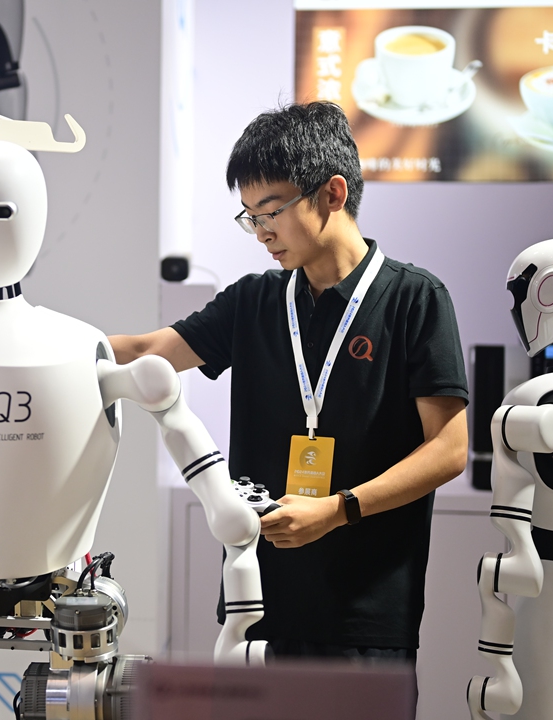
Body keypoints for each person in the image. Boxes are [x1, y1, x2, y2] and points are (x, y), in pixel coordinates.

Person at [111, 102, 468, 667]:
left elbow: (448, 451)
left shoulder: (414, 299)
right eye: (250, 216)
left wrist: (338, 509)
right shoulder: (255, 301)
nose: (261, 233)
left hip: (366, 613)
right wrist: (35, 342)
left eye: (271, 211)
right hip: (256, 606)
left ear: (332, 192)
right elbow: (147, 352)